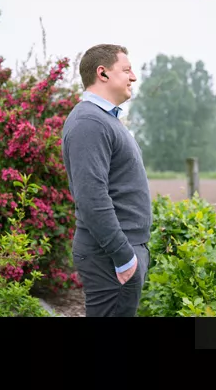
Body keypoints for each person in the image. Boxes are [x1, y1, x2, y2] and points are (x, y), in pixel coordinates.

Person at [60, 44, 152, 317]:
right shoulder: (90, 122)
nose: (133, 77)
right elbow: (92, 198)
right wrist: (124, 257)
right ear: (102, 73)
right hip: (110, 256)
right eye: (126, 69)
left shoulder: (103, 120)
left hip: (117, 252)